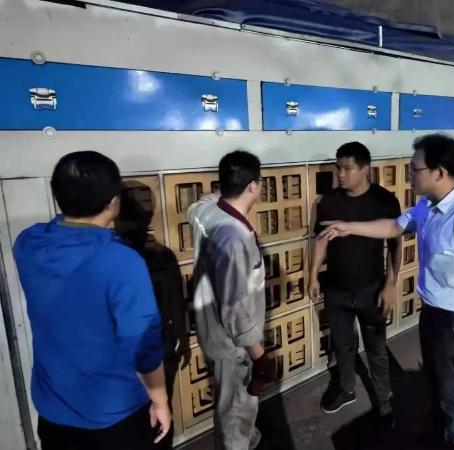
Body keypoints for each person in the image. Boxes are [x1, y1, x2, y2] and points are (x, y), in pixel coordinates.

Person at [320, 134, 454, 448]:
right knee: (435, 386)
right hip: (432, 314)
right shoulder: (428, 206)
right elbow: (394, 227)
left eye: (414, 169)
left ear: (439, 172)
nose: (409, 174)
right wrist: (348, 227)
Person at [13, 151, 171, 450]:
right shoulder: (122, 261)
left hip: (53, 411)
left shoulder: (27, 243)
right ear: (113, 203)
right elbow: (144, 345)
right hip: (114, 416)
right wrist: (160, 400)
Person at [188, 150, 277, 450]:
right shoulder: (234, 238)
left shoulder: (205, 213)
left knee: (233, 406)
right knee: (235, 413)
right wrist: (259, 356)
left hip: (210, 330)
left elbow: (197, 204)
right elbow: (236, 310)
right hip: (233, 344)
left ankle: (249, 440)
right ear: (253, 186)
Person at [308, 142, 402, 424]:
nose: (340, 174)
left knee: (376, 348)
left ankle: (384, 399)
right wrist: (313, 274)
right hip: (336, 290)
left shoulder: (384, 201)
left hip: (371, 290)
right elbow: (321, 240)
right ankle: (347, 389)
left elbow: (395, 244)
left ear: (365, 169)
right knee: (343, 345)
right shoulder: (328, 202)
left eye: (347, 168)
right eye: (338, 168)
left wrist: (390, 284)